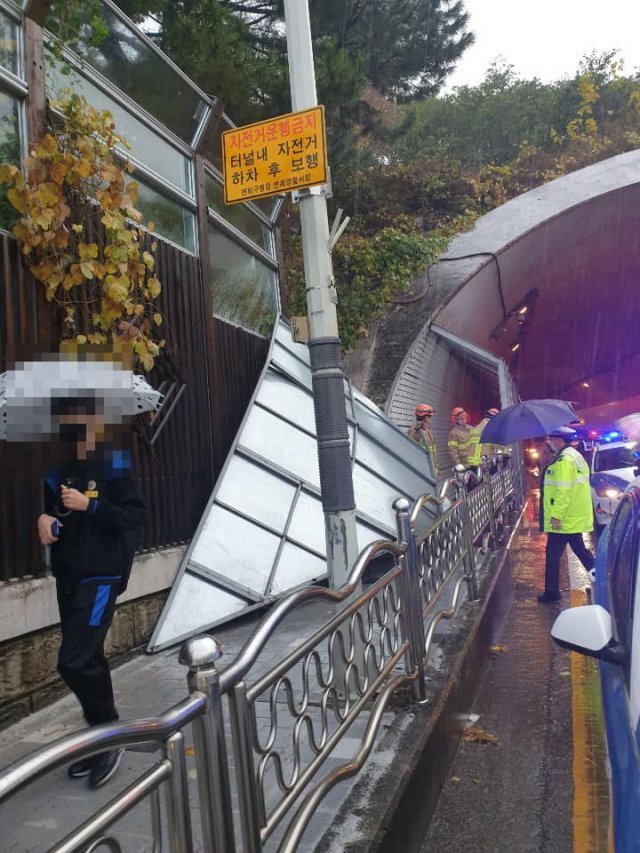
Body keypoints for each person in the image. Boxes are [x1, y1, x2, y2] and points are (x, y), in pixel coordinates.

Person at [37, 396, 145, 788]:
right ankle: (102, 738)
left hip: (100, 577)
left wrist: (91, 506)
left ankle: (108, 730)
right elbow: (57, 519)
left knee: (74, 661)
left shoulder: (113, 462)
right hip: (68, 577)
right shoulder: (59, 468)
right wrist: (45, 519)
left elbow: (133, 515)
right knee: (89, 658)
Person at [538, 426, 595, 603]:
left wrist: (556, 515)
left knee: (553, 555)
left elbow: (563, 491)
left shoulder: (564, 461)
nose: (549, 442)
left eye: (551, 438)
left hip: (563, 519)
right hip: (572, 515)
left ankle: (551, 592)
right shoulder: (574, 456)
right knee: (580, 551)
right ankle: (602, 579)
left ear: (560, 440)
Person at [408, 403, 438, 477]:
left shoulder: (427, 431)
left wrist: (436, 467)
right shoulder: (415, 431)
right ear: (425, 418)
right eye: (429, 417)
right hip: (424, 471)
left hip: (431, 469)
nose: (430, 419)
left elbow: (433, 452)